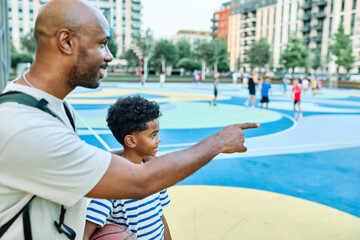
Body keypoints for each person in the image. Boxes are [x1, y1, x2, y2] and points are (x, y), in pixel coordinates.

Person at [0, 0, 259, 239]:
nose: (109, 56)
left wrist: (132, 156)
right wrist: (219, 142)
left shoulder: (49, 106)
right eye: (102, 43)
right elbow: (140, 182)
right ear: (66, 41)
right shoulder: (25, 124)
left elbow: (67, 159)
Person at [84, 96, 172, 240]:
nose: (159, 140)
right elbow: (85, 233)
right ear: (131, 141)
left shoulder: (155, 173)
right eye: (153, 135)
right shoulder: (112, 184)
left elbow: (161, 218)